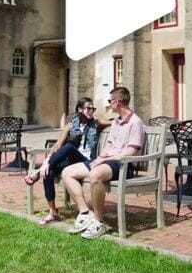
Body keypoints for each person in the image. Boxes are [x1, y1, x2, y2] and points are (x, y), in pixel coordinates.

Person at [61, 86, 146, 239]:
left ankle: (99, 222)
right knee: (67, 172)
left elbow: (131, 151)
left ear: (117, 102)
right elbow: (109, 144)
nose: (109, 104)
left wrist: (106, 159)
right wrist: (100, 158)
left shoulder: (135, 122)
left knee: (95, 175)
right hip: (108, 161)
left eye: (110, 101)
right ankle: (85, 213)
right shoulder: (116, 122)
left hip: (123, 164)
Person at [24, 97, 106, 226]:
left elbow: (116, 122)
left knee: (68, 147)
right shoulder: (70, 126)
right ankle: (53, 212)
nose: (92, 111)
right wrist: (46, 163)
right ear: (80, 109)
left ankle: (37, 173)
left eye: (93, 109)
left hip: (86, 162)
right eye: (88, 108)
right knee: (49, 171)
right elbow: (57, 145)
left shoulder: (96, 124)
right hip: (72, 161)